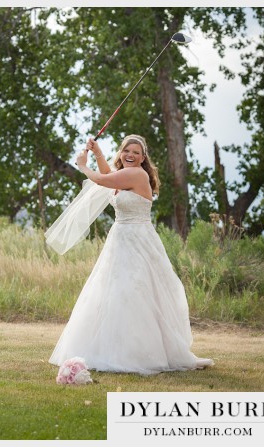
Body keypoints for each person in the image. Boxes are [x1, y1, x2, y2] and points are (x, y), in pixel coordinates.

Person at [48, 135, 214, 375]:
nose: (131, 155)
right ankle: (110, 349)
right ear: (121, 152)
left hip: (138, 240)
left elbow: (103, 180)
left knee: (135, 291)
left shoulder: (137, 174)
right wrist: (97, 154)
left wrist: (83, 166)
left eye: (136, 152)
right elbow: (111, 178)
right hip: (120, 239)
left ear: (143, 158)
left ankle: (140, 353)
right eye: (127, 150)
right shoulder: (124, 176)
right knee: (113, 292)